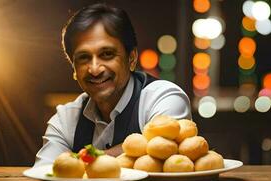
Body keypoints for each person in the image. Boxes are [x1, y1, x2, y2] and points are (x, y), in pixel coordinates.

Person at [34, 3, 191, 167]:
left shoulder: (163, 98)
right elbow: (45, 170)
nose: (95, 69)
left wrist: (80, 160)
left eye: (107, 54)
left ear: (131, 58)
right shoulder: (66, 119)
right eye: (84, 57)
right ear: (74, 68)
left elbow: (165, 148)